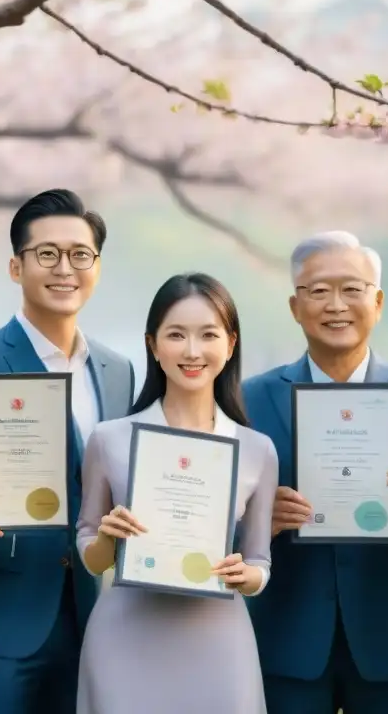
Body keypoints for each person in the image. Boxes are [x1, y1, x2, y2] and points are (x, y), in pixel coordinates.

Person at [242, 231, 388, 714]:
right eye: (318, 291)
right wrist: (261, 522)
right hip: (284, 641)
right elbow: (216, 518)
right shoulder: (248, 400)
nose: (336, 305)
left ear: (378, 301)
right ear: (294, 306)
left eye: (352, 289)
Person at [0, 189, 135, 714]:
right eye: (46, 254)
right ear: (15, 267)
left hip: (94, 612)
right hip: (1, 613)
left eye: (80, 255)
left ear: (97, 266)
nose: (64, 268)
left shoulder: (119, 371)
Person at [75, 272, 278, 714]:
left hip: (220, 643)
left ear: (230, 343)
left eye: (208, 335)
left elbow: (260, 561)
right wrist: (108, 539)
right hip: (125, 639)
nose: (192, 351)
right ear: (153, 345)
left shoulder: (257, 449)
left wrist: (249, 576)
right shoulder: (109, 439)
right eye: (176, 335)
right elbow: (90, 550)